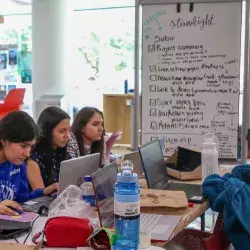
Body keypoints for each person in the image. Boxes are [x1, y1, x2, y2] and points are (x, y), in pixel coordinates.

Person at [0, 111, 57, 215]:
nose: (28, 154)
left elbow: (21, 200)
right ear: (4, 141)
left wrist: (43, 192)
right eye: (23, 146)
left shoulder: (19, 165)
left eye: (31, 146)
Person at [27, 106, 70, 190]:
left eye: (69, 130)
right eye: (62, 131)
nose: (67, 135)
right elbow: (40, 196)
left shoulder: (61, 151)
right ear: (47, 131)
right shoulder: (33, 158)